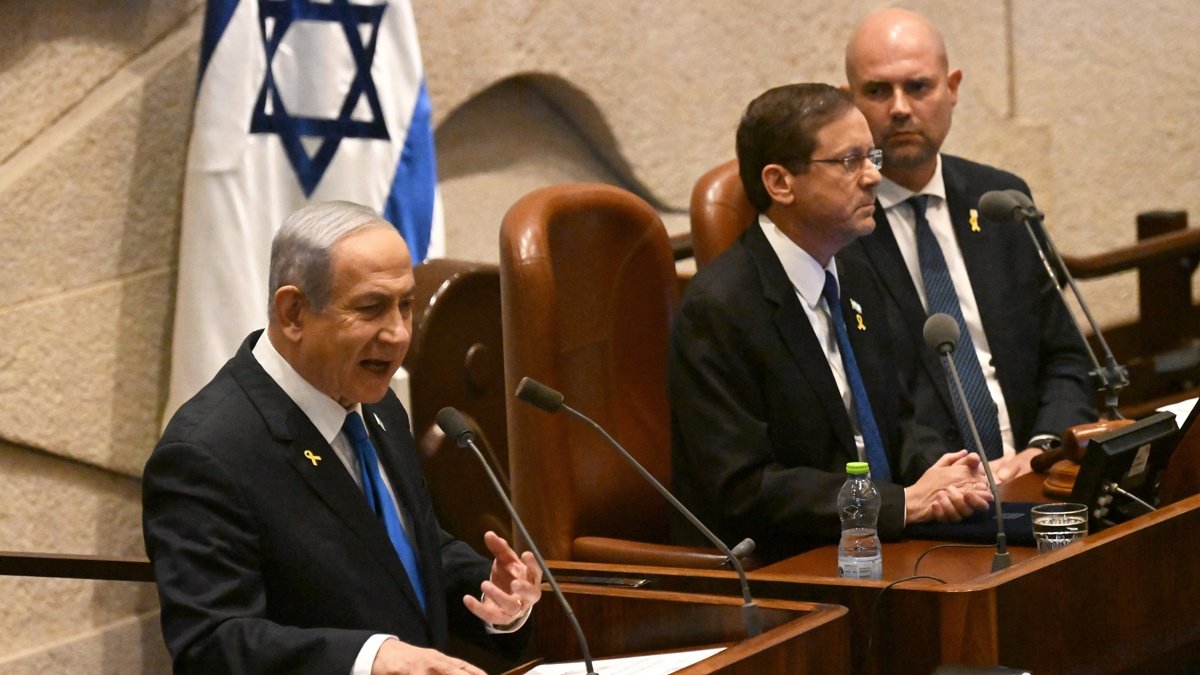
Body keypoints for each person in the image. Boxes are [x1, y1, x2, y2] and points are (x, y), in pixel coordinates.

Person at [143, 201, 541, 674]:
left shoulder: (377, 403)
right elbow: (213, 643)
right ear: (293, 312)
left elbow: (408, 548)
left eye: (406, 305)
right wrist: (371, 660)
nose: (398, 335)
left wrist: (490, 593)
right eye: (372, 308)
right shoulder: (206, 452)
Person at [669, 83, 992, 562]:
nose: (872, 178)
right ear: (780, 183)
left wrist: (940, 479)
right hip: (788, 564)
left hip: (884, 544)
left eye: (872, 157)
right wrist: (900, 503)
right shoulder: (720, 309)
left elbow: (901, 412)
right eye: (849, 162)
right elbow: (744, 487)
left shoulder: (857, 267)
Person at [844, 8, 1095, 482]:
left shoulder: (1001, 200)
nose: (899, 108)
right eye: (877, 91)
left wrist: (1043, 450)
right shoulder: (838, 230)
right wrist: (957, 479)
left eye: (918, 86)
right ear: (848, 102)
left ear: (952, 87)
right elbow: (867, 403)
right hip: (932, 496)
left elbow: (1064, 356)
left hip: (1038, 475)